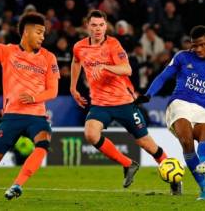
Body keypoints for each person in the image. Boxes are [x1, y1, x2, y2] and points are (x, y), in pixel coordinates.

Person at [70, 10, 181, 194]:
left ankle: (174, 178)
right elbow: (76, 62)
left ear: (106, 26)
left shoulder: (113, 44)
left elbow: (127, 69)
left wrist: (105, 67)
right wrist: (73, 88)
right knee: (90, 134)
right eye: (94, 25)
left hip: (124, 102)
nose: (98, 29)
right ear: (87, 26)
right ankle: (128, 164)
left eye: (101, 25)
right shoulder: (79, 47)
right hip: (100, 103)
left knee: (146, 143)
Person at [135, 25, 205, 200]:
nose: (198, 49)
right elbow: (164, 76)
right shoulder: (182, 57)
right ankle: (204, 185)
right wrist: (148, 94)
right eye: (194, 45)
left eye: (202, 44)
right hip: (179, 104)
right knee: (187, 141)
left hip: (201, 109)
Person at [0, 0, 60, 200]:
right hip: (12, 116)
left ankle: (17, 185)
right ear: (26, 32)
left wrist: (35, 98)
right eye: (39, 32)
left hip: (37, 115)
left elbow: (53, 91)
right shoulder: (8, 52)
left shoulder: (49, 58)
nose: (43, 36)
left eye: (44, 33)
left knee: (44, 141)